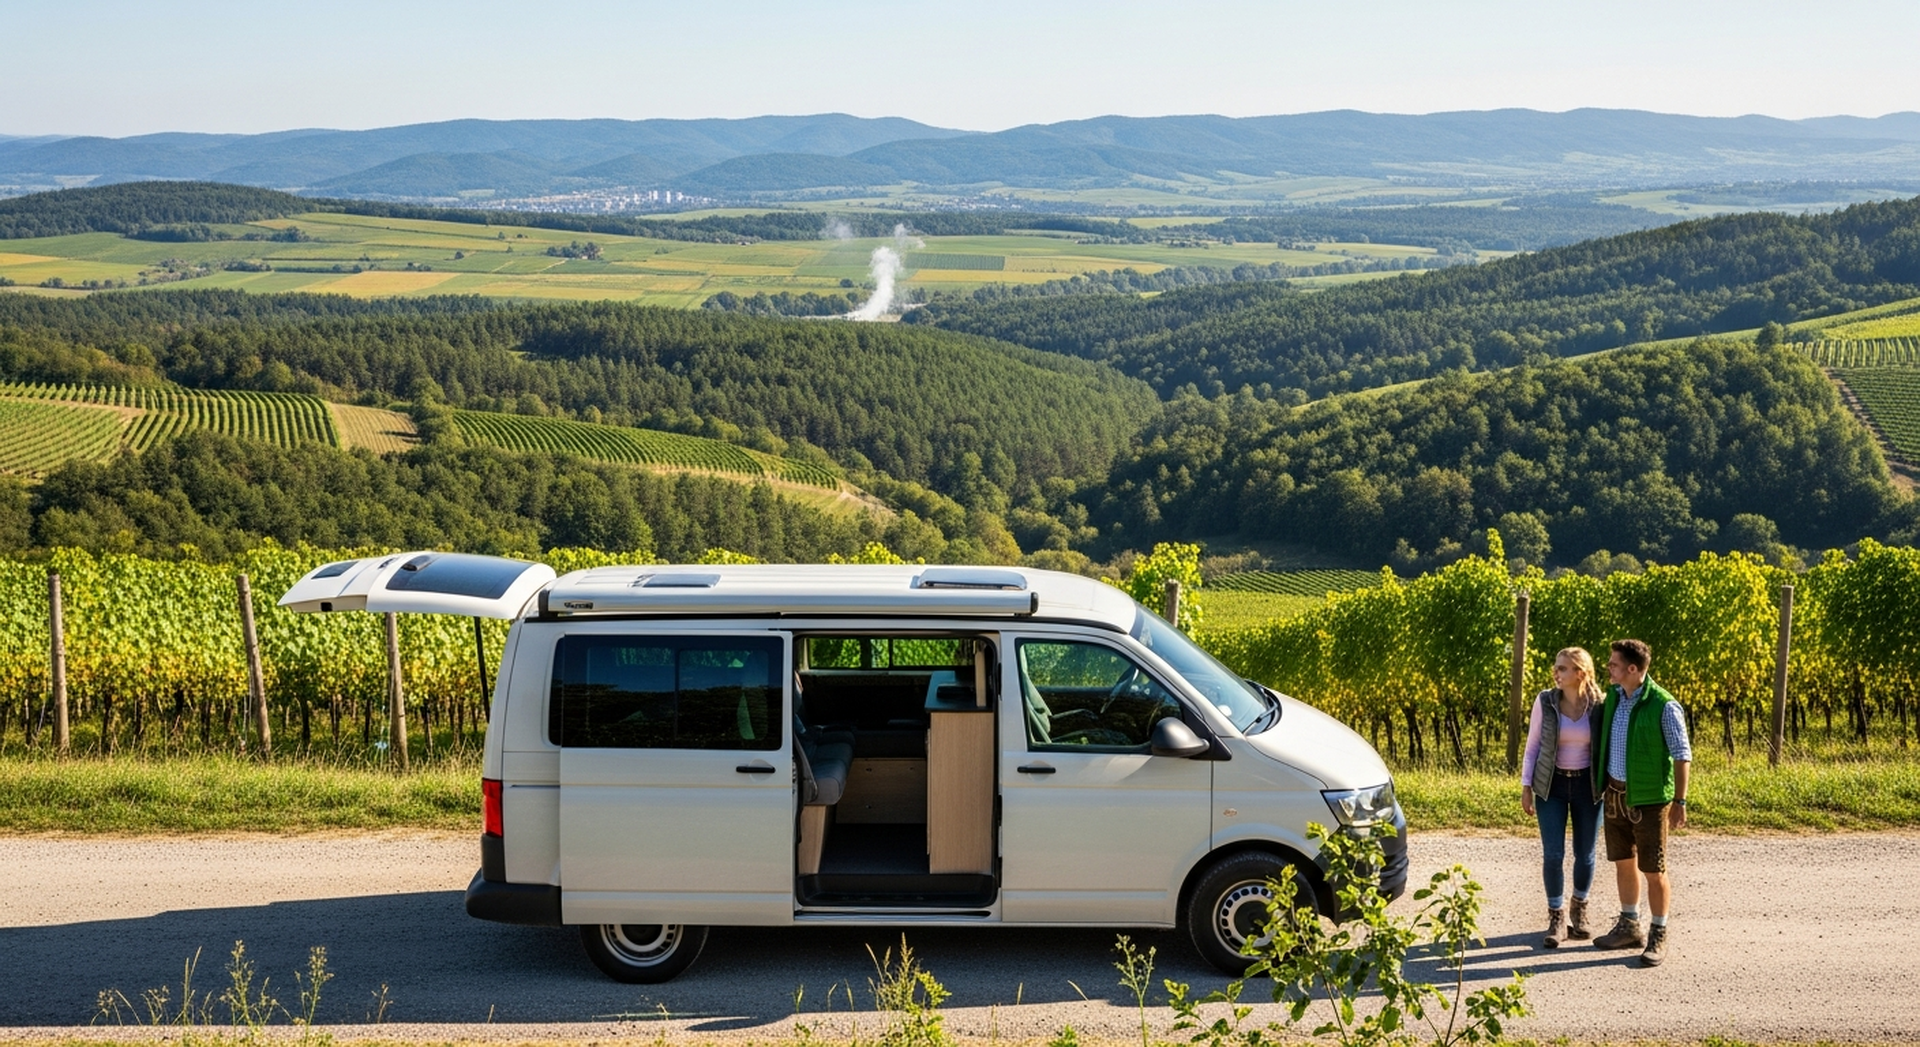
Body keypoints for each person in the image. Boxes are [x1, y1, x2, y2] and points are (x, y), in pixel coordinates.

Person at [1590, 638, 1692, 967]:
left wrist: (1680, 800)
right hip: (1615, 795)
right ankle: (1629, 925)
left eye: (1614, 664)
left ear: (1633, 669)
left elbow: (1681, 755)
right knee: (1623, 862)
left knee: (1653, 868)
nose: (1608, 667)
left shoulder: (1663, 704)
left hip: (1648, 800)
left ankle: (1658, 933)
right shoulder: (1614, 700)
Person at [1520, 647, 1604, 948]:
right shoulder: (1545, 701)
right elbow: (1532, 748)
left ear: (1581, 673)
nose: (1556, 673)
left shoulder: (1599, 705)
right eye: (1556, 667)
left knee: (1586, 853)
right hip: (1551, 786)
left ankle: (1579, 909)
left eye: (1563, 668)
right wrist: (1526, 787)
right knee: (1553, 854)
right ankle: (1556, 916)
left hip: (1587, 787)